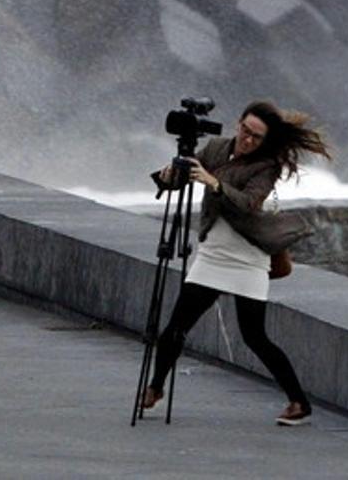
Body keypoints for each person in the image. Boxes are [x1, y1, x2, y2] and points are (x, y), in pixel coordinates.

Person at [141, 100, 331, 426]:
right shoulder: (215, 147)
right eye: (246, 131)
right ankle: (155, 388)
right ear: (238, 123)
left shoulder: (266, 165)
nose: (247, 140)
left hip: (247, 256)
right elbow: (181, 180)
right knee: (176, 326)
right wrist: (169, 175)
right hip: (213, 252)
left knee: (254, 336)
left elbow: (249, 202)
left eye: (256, 137)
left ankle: (299, 402)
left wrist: (214, 183)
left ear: (266, 141)